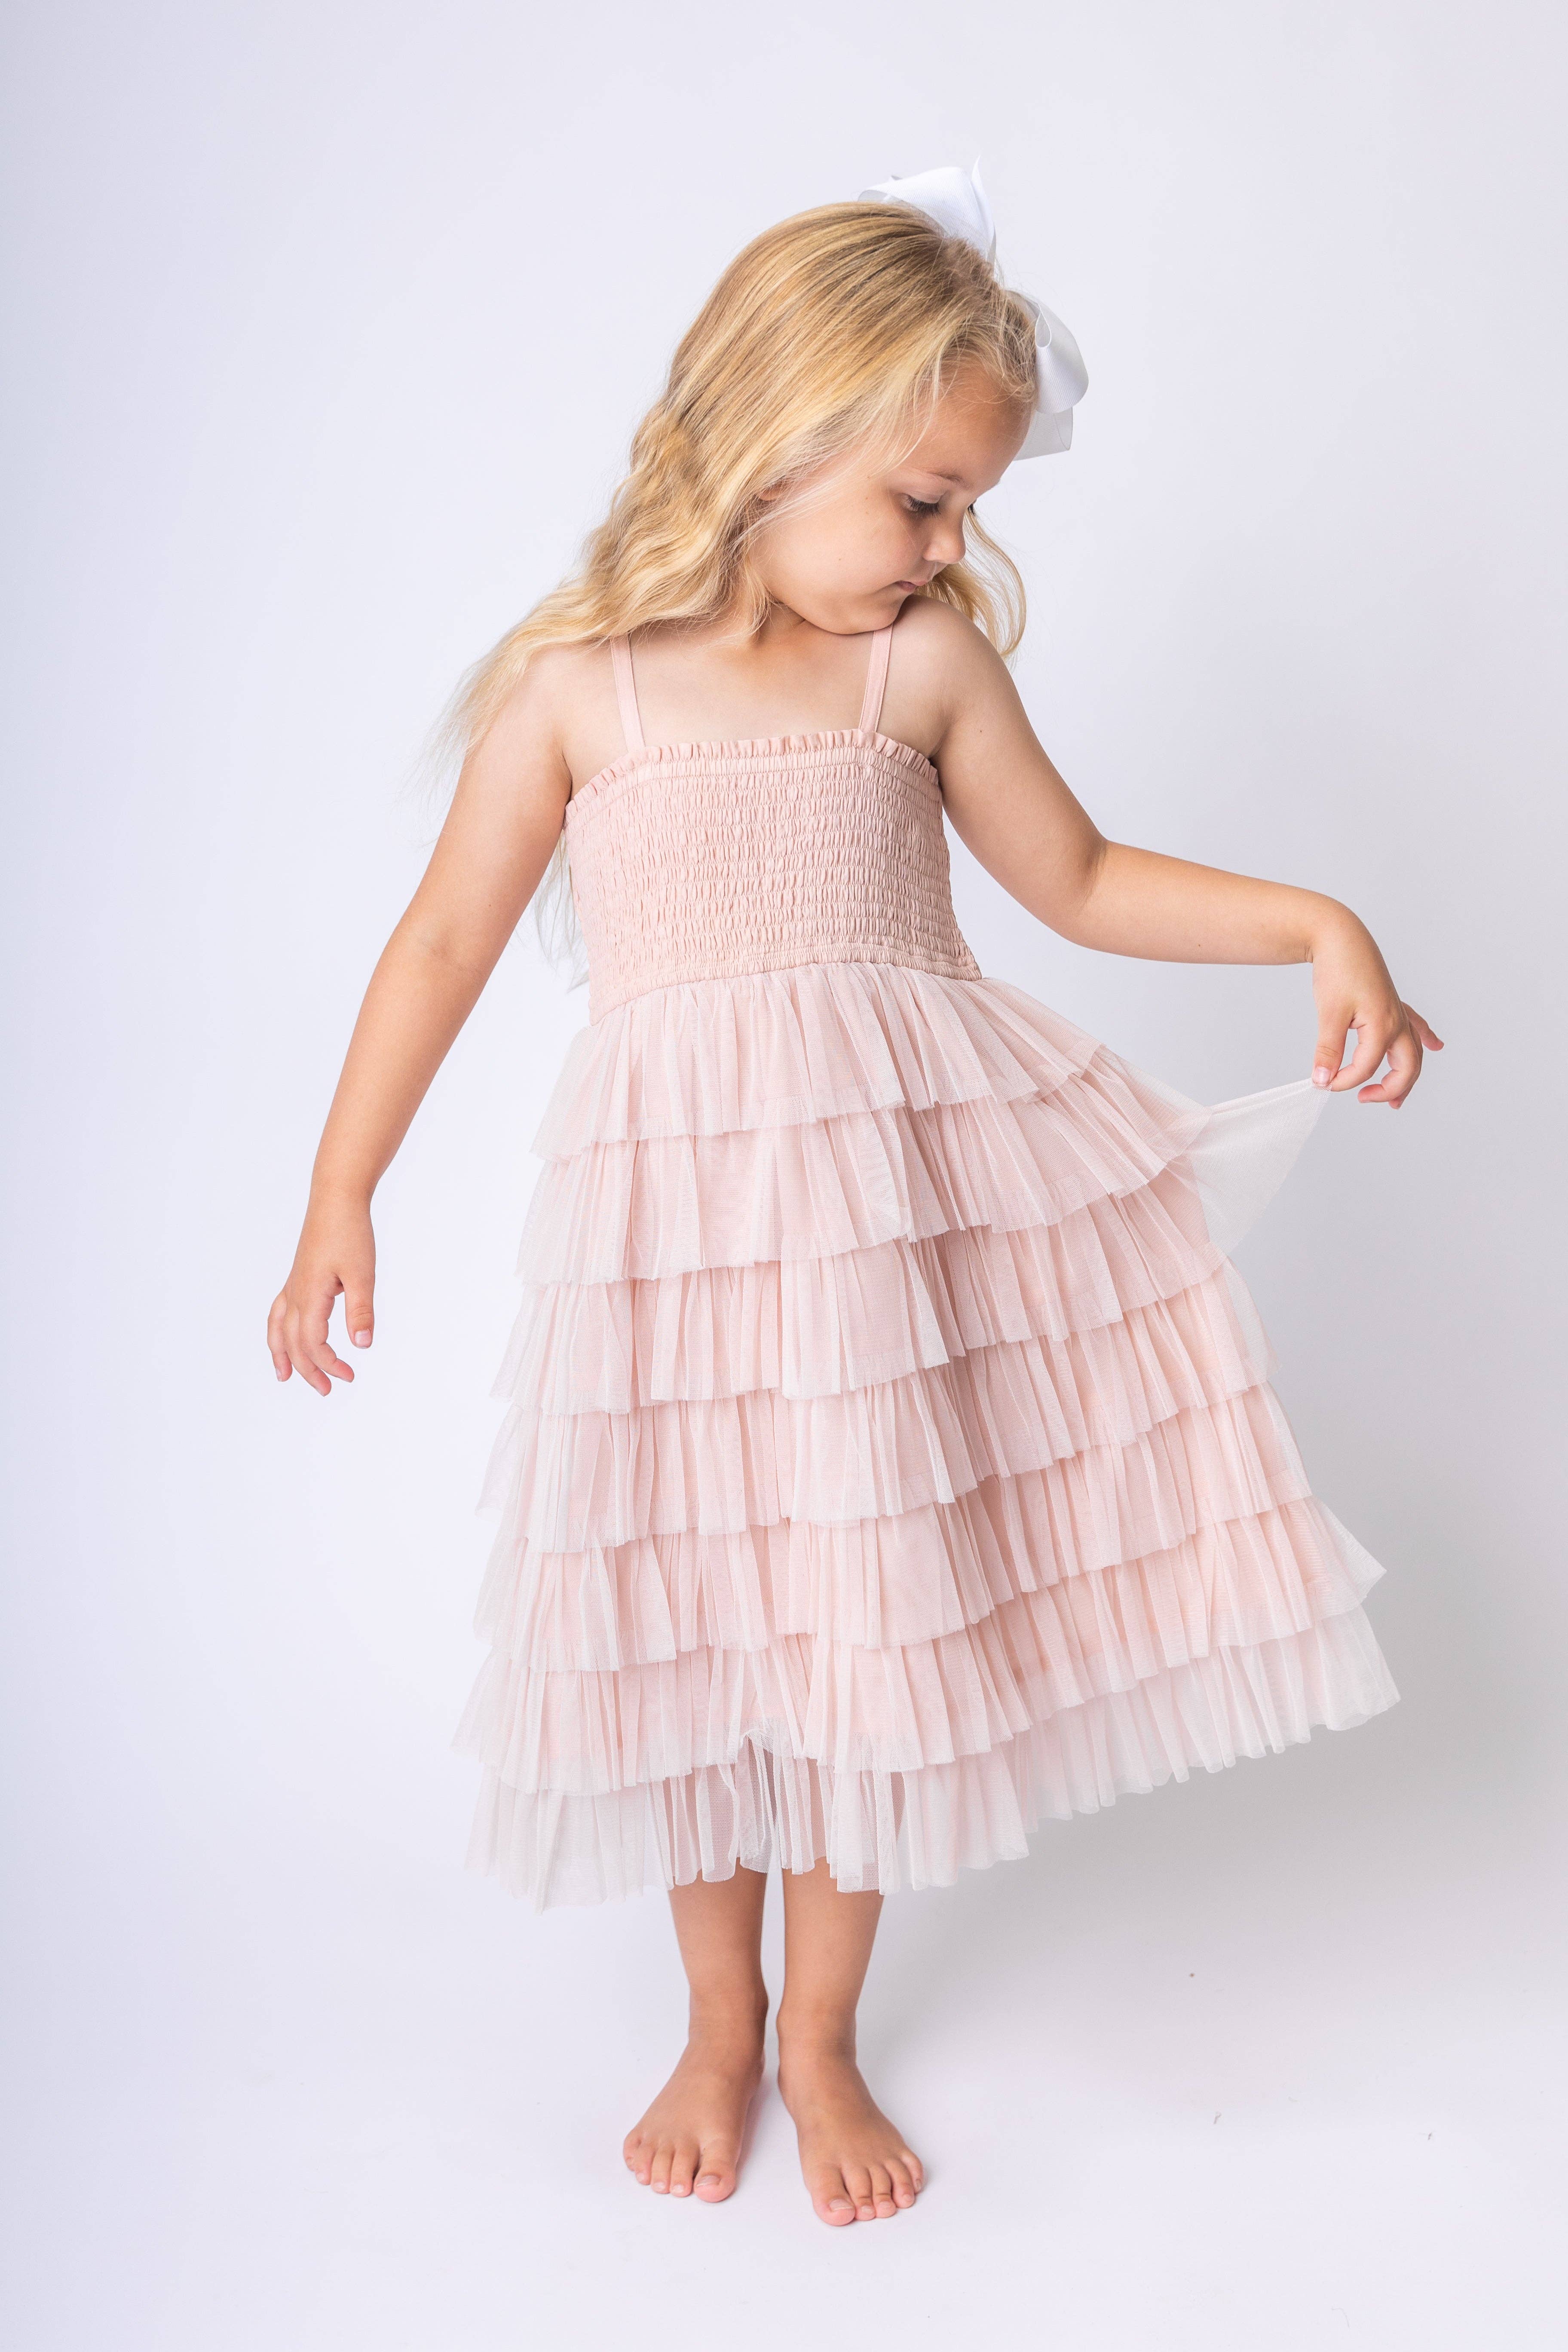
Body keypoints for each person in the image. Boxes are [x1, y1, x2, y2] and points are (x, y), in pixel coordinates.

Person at [266, 165, 1440, 2228]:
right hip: (677, 1255)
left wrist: (1316, 922)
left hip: (885, 1240)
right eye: (923, 501)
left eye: (969, 507)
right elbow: (443, 940)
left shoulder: (925, 671)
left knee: (859, 1624)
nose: (953, 545)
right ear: (771, 436)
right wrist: (337, 1193)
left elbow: (1082, 879)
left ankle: (820, 2034)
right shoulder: (582, 692)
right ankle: (716, 2026)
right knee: (699, 1631)